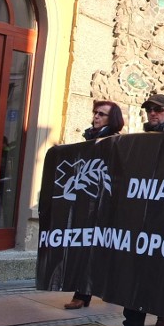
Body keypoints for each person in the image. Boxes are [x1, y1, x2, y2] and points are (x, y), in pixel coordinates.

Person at [105, 93, 164, 326]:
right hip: (140, 216)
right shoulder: (138, 141)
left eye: (159, 110)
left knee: (160, 270)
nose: (153, 114)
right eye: (149, 110)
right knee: (134, 272)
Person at [65, 100, 125, 310]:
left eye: (102, 114)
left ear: (113, 119)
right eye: (95, 113)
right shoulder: (89, 138)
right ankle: (82, 294)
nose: (96, 117)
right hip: (86, 201)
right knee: (85, 247)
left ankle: (96, 292)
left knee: (102, 251)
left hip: (106, 204)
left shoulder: (116, 141)